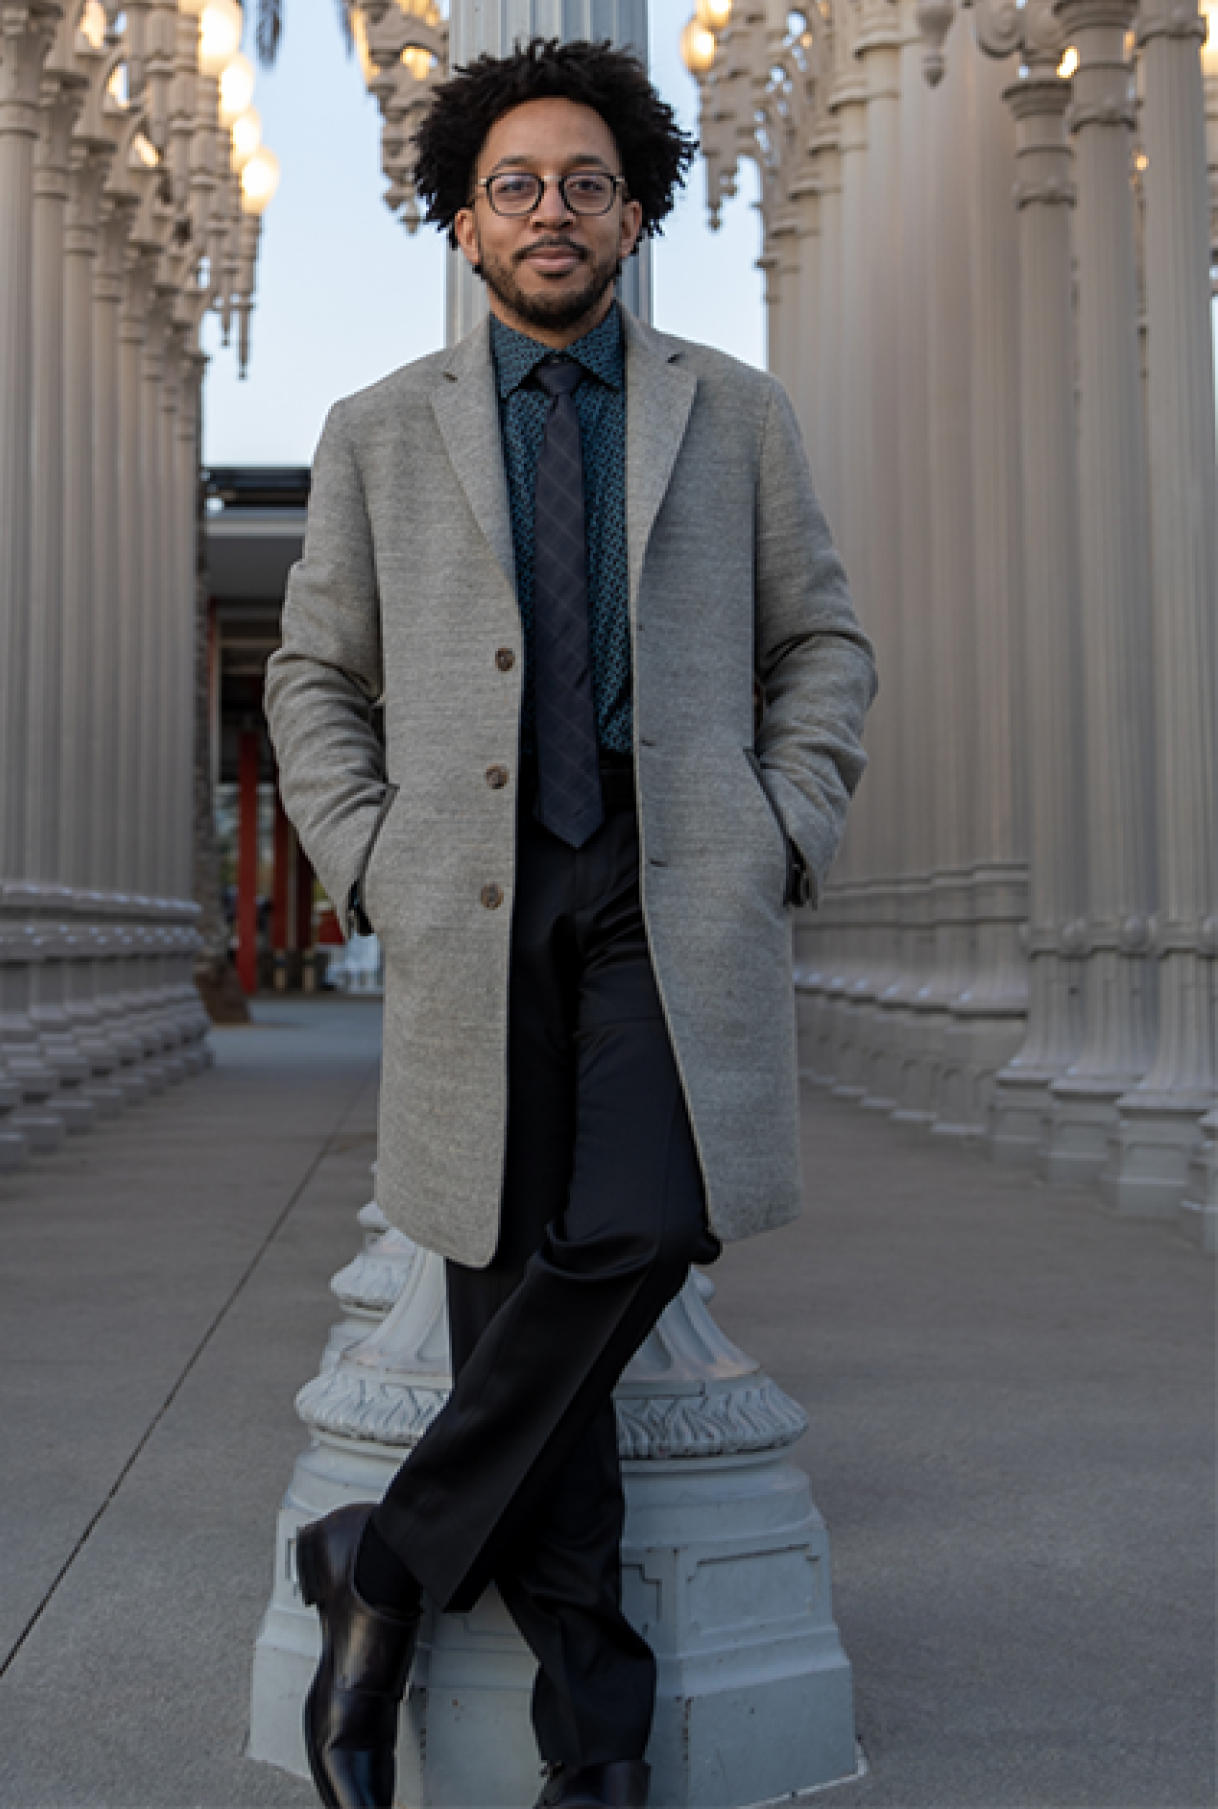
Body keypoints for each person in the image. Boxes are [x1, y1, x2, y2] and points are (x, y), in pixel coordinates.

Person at [263, 38, 877, 1809]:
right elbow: (317, 675)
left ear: (635, 213)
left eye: (588, 183)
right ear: (463, 222)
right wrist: (365, 859)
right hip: (464, 905)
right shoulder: (378, 432)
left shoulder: (732, 411)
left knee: (644, 1220)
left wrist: (784, 823)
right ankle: (596, 1740)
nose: (553, 210)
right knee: (510, 1297)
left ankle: (379, 1569)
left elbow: (818, 640)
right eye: (517, 185)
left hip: (665, 892)